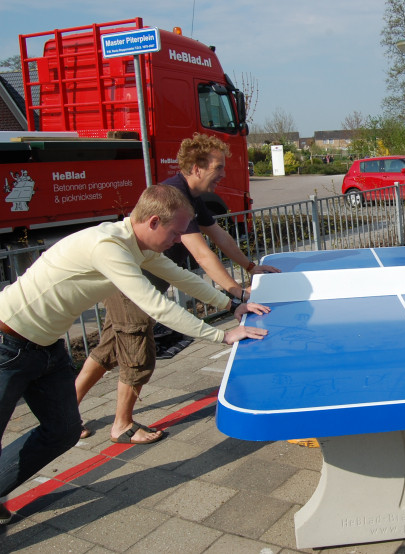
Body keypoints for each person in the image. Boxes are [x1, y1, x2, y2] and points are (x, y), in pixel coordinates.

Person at [0, 185, 269, 523]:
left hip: (47, 346)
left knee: (64, 431)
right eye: (175, 232)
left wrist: (233, 303)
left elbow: (181, 278)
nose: (178, 240)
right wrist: (222, 335)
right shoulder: (108, 247)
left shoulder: (136, 246)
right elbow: (155, 304)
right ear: (154, 222)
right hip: (7, 342)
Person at [74, 133, 280, 445]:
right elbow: (201, 252)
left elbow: (219, 237)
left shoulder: (193, 197)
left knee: (105, 350)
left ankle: (68, 413)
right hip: (132, 284)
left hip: (142, 278)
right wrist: (235, 292)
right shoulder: (174, 196)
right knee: (137, 354)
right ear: (197, 167)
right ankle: (122, 424)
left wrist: (250, 268)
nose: (223, 173)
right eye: (218, 167)